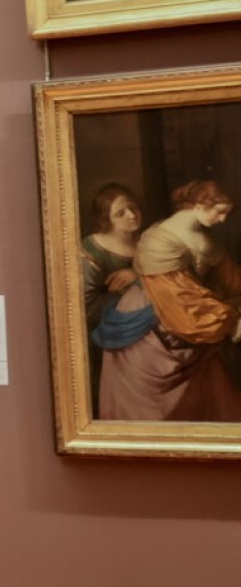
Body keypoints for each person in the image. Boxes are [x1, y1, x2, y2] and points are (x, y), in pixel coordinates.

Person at [102, 180, 241, 422]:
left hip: (191, 318)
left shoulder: (207, 239)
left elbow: (230, 280)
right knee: (155, 412)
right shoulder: (160, 240)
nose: (223, 219)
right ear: (199, 204)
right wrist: (230, 320)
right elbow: (180, 297)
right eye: (220, 212)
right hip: (151, 327)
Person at [79, 184, 156, 416]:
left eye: (133, 208)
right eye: (120, 213)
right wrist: (131, 293)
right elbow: (85, 307)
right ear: (107, 219)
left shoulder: (149, 242)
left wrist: (137, 276)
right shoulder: (91, 250)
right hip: (110, 338)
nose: (132, 215)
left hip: (148, 334)